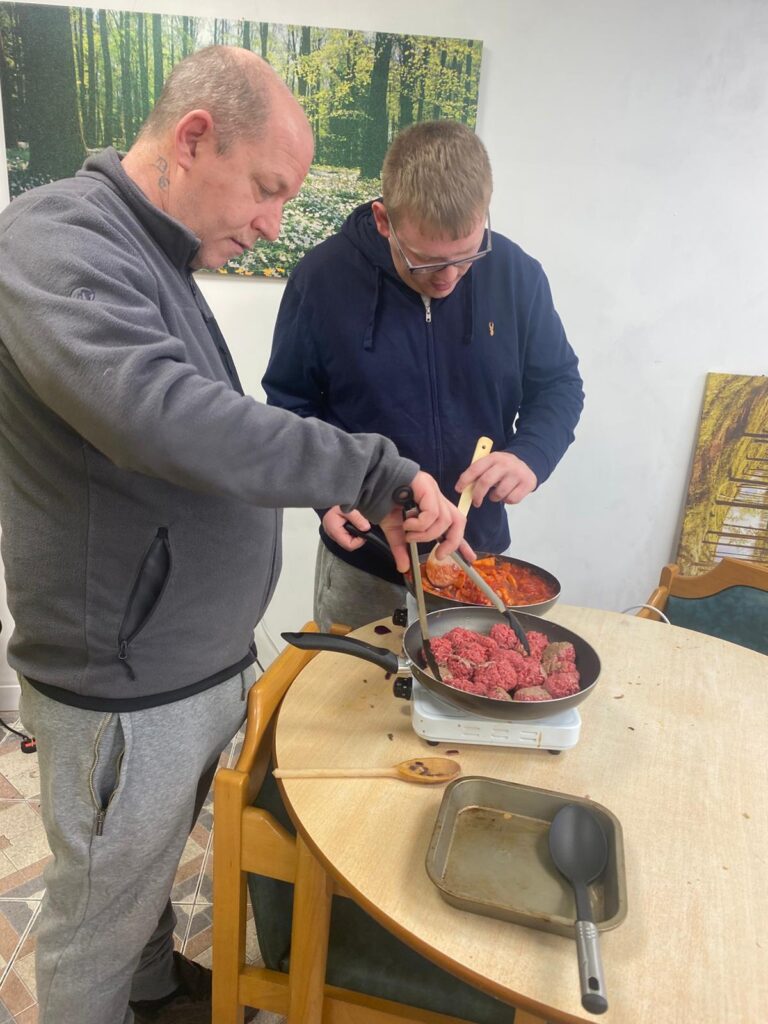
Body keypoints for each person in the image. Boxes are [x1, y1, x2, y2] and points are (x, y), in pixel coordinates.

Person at [0, 47, 468, 1024]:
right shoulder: (55, 239)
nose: (271, 224)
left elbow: (205, 442)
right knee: (96, 914)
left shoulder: (153, 255)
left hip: (187, 659)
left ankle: (154, 990)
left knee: (149, 872)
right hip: (125, 680)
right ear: (194, 138)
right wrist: (367, 469)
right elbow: (158, 415)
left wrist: (304, 492)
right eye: (266, 190)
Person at [263, 120, 584, 630]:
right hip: (364, 563)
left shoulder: (518, 276)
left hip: (474, 561)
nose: (449, 277)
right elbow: (291, 407)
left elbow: (559, 385)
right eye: (427, 261)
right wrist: (327, 494)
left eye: (467, 256)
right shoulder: (322, 279)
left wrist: (532, 455)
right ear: (384, 220)